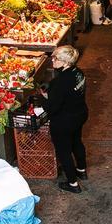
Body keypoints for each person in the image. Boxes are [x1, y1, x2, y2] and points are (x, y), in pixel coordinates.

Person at [44, 45, 88, 193]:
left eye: (55, 58)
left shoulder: (60, 81)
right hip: (79, 114)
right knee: (76, 142)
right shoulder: (79, 73)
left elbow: (53, 106)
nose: (52, 60)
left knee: (63, 151)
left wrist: (45, 100)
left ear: (65, 62)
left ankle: (72, 183)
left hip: (64, 120)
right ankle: (81, 170)